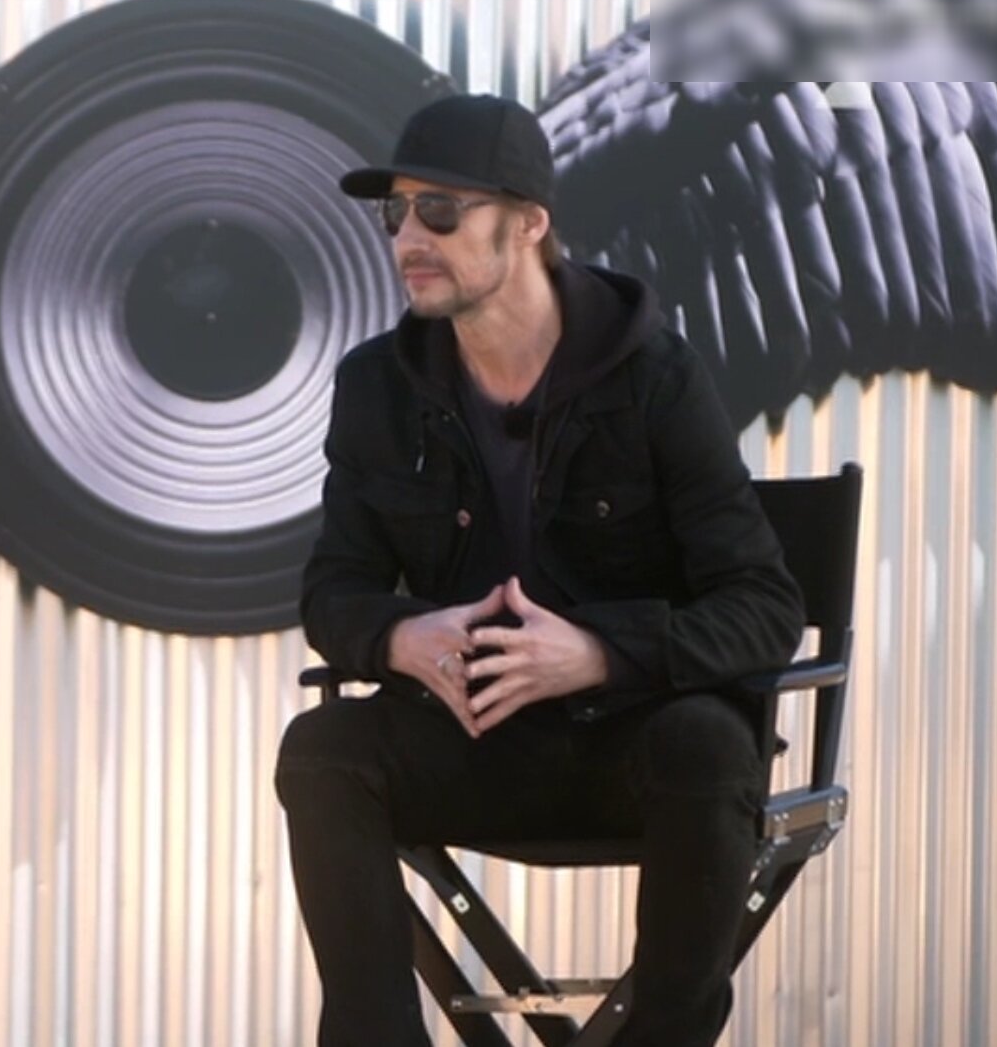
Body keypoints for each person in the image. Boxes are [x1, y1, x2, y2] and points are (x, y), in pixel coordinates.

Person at [273, 93, 805, 1047]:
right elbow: (332, 590)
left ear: (527, 224)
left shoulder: (655, 377)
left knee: (708, 744)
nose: (408, 239)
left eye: (441, 211)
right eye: (396, 212)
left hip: (631, 749)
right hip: (469, 741)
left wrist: (597, 653)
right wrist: (401, 637)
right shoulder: (377, 386)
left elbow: (765, 606)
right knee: (322, 751)